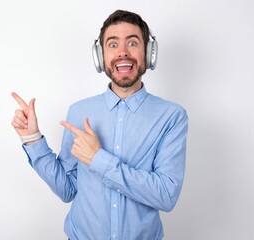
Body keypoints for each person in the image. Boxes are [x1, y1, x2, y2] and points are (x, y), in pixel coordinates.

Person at [11, 9, 188, 240]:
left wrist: (98, 159)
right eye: (112, 45)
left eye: (133, 43)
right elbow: (68, 189)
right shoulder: (79, 111)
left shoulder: (171, 117)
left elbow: (166, 195)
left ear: (148, 52)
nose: (123, 53)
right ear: (100, 56)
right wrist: (32, 139)